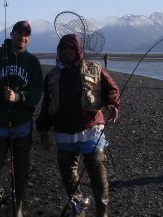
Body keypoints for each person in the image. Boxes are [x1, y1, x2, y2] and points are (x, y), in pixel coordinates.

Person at [36, 34, 121, 217]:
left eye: (70, 48)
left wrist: (112, 104)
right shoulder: (52, 76)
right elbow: (46, 103)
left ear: (78, 51)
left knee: (99, 178)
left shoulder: (94, 68)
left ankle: (102, 213)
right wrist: (43, 128)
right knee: (70, 181)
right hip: (63, 135)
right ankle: (78, 212)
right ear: (58, 52)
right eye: (62, 48)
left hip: (91, 132)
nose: (66, 51)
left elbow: (111, 89)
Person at [0, 21, 44, 217]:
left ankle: (18, 208)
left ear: (29, 37)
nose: (22, 38)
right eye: (19, 33)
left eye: (26, 35)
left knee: (21, 172)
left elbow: (36, 93)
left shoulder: (32, 62)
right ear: (11, 34)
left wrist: (18, 97)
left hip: (22, 126)